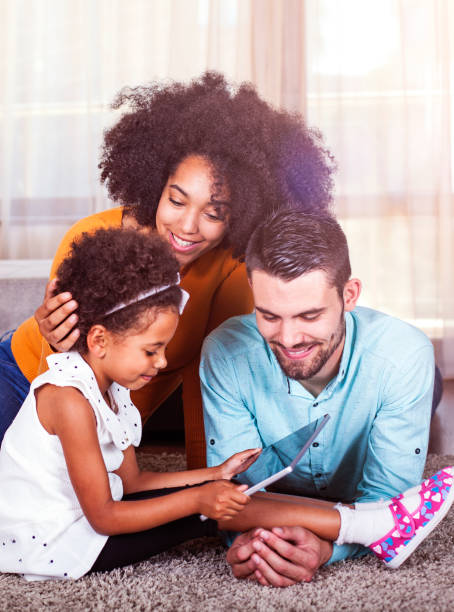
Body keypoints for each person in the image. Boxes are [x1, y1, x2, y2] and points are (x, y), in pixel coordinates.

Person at [1, 227, 452, 581]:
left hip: (88, 522)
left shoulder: (112, 389)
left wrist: (212, 475)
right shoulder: (68, 397)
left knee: (227, 495)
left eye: (308, 315)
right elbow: (103, 516)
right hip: (61, 544)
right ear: (99, 340)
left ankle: (376, 522)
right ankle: (373, 526)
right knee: (219, 507)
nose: (162, 364)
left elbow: (133, 481)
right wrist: (202, 496)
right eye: (151, 350)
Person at [0, 72, 335, 468]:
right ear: (154, 185)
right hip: (25, 376)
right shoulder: (92, 236)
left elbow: (208, 382)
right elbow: (60, 381)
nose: (188, 227)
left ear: (242, 215)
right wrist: (57, 344)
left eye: (215, 213)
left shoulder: (230, 271)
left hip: (114, 415)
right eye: (177, 201)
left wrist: (205, 481)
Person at [200, 210, 442, 587]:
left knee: (418, 387)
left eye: (309, 316)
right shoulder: (225, 354)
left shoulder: (403, 357)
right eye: (269, 316)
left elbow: (388, 508)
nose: (290, 338)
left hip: (393, 380)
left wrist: (329, 549)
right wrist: (255, 543)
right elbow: (235, 498)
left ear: (349, 295)